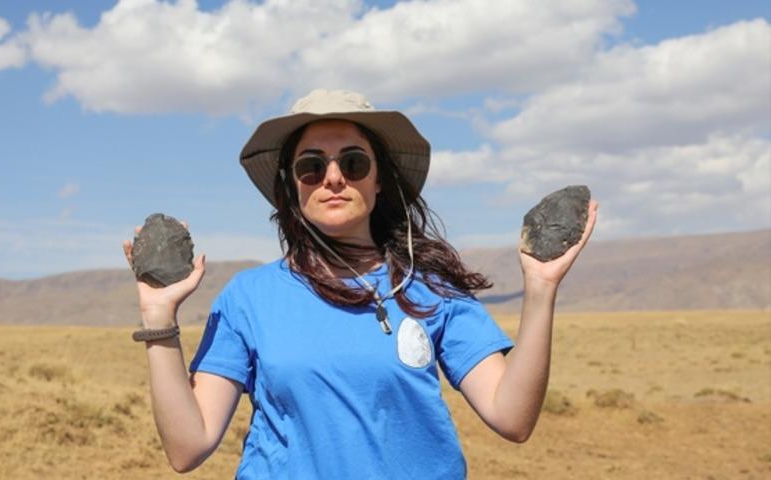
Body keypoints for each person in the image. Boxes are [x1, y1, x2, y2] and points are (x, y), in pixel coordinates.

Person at [122, 89, 597, 478]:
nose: (332, 178)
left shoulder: (429, 288)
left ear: (378, 182)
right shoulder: (249, 298)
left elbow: (512, 418)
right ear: (292, 185)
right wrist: (158, 318)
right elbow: (188, 448)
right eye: (312, 166)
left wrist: (540, 288)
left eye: (353, 163)